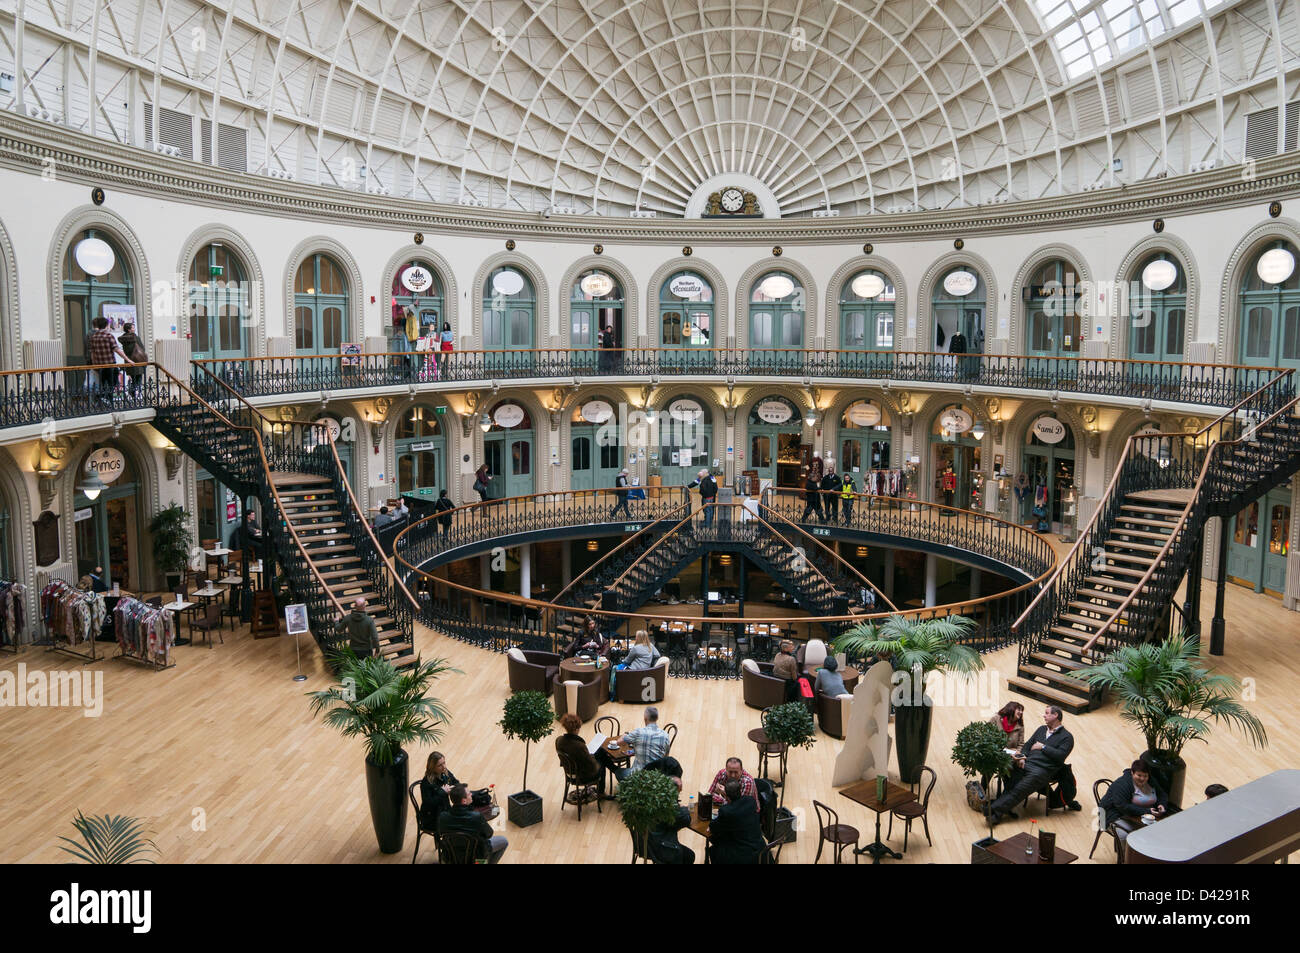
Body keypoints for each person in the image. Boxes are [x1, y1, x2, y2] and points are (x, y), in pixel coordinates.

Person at [987, 705, 1075, 824]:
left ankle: (993, 810)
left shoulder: (1067, 737)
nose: (1044, 715)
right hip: (1027, 763)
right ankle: (1000, 810)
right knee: (1008, 772)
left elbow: (1060, 756)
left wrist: (1043, 747)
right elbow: (1027, 745)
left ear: (1056, 715)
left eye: (1047, 713)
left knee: (1020, 788)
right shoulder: (1041, 729)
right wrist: (1021, 758)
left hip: (1042, 770)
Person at [1101, 758, 1170, 845]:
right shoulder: (1122, 784)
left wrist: (1162, 804)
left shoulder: (1150, 780)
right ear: (1132, 773)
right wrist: (1147, 811)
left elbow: (1162, 794)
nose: (1142, 779)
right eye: (1139, 775)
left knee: (1159, 832)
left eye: (1145, 776)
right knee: (1126, 835)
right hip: (1111, 815)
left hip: (1137, 816)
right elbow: (1123, 806)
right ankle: (1125, 858)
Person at [437, 784, 508, 864]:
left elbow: (441, 833)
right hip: (476, 860)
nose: (471, 794)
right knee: (504, 841)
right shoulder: (477, 817)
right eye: (469, 794)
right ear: (464, 801)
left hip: (450, 858)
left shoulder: (442, 817)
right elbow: (489, 834)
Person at [642, 757, 694, 864]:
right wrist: (683, 808)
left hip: (646, 843)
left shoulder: (651, 796)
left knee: (689, 855)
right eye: (678, 792)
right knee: (689, 857)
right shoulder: (668, 807)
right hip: (662, 847)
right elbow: (685, 819)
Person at [709, 779, 767, 864]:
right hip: (761, 851)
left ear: (727, 796)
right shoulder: (751, 801)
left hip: (743, 857)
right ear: (740, 790)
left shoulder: (726, 811)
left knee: (714, 846)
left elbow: (713, 827)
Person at [554, 712, 607, 798]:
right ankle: (601, 792)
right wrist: (593, 758)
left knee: (599, 752)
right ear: (576, 729)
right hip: (581, 776)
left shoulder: (559, 740)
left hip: (570, 772)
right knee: (602, 762)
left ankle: (614, 769)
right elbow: (592, 766)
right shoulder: (579, 746)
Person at [617, 706, 672, 771]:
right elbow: (666, 756)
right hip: (656, 777)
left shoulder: (638, 732)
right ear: (657, 718)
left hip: (637, 775)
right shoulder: (665, 735)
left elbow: (619, 742)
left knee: (618, 771)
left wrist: (625, 734)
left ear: (645, 718)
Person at [86, 316, 126, 402]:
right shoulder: (108, 335)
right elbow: (117, 350)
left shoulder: (94, 337)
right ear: (107, 325)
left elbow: (92, 352)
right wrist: (128, 359)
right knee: (112, 384)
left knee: (103, 384)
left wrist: (94, 364)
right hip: (110, 364)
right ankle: (109, 401)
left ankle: (104, 400)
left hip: (100, 366)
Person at [418, 751, 458, 829]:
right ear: (432, 767)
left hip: (445, 811)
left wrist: (453, 788)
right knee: (457, 826)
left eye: (444, 763)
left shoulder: (445, 772)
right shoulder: (426, 783)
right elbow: (428, 804)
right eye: (440, 765)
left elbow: (456, 783)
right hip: (432, 818)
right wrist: (442, 792)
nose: (444, 767)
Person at [116, 321, 146, 398]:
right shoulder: (135, 338)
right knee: (138, 380)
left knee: (133, 379)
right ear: (129, 330)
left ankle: (132, 394)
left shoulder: (123, 339)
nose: (134, 329)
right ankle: (137, 396)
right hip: (137, 360)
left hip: (128, 361)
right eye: (133, 328)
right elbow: (142, 349)